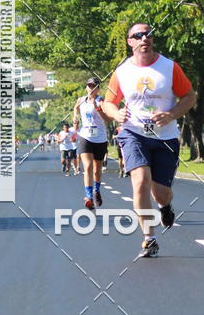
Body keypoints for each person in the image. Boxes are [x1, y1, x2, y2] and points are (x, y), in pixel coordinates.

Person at [103, 23, 196, 258]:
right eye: (138, 35)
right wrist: (116, 114)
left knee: (161, 193)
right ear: (130, 42)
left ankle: (165, 206)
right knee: (140, 180)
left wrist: (172, 114)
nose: (145, 38)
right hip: (133, 133)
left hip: (165, 136)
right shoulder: (122, 72)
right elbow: (108, 103)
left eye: (149, 34)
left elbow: (189, 96)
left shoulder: (169, 67)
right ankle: (149, 239)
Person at [73, 78, 108, 209]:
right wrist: (75, 119)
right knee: (87, 166)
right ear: (86, 88)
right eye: (89, 86)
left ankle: (96, 190)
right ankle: (88, 197)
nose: (91, 88)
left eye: (94, 86)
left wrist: (97, 108)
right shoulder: (81, 100)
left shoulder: (101, 101)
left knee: (97, 170)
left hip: (100, 138)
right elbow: (75, 109)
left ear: (98, 89)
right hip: (85, 136)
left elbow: (107, 119)